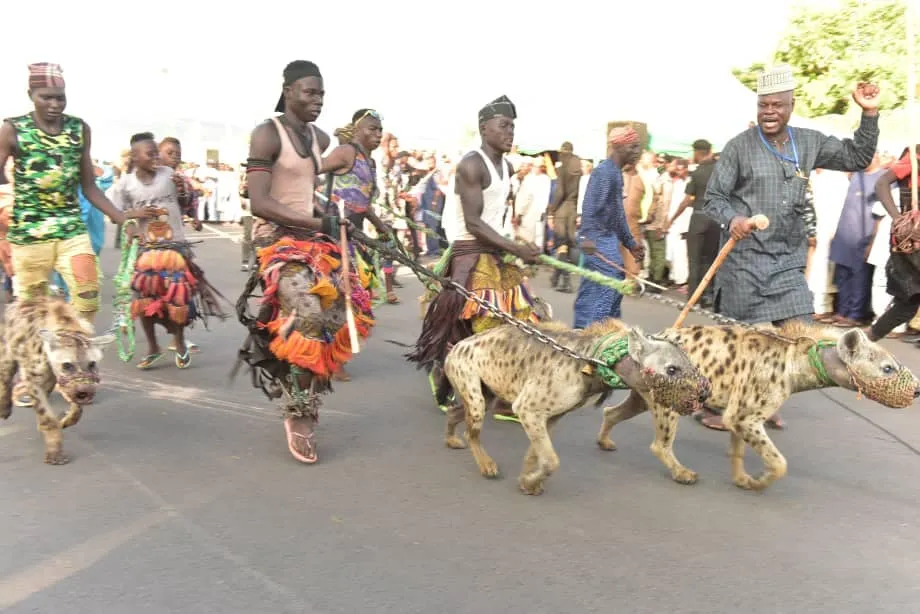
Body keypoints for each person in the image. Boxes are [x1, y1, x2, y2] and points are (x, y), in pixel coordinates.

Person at [698, 65, 880, 431]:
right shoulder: (739, 147)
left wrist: (869, 113)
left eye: (776, 105)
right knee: (742, 343)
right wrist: (734, 218)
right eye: (763, 105)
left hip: (786, 262)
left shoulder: (809, 142)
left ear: (791, 106)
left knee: (801, 332)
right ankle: (719, 407)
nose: (769, 112)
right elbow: (714, 198)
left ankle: (763, 399)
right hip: (743, 262)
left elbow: (857, 158)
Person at [235, 60, 374, 464]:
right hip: (276, 241)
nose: (317, 101)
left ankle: (291, 374)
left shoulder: (320, 136)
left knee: (336, 316)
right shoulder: (266, 133)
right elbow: (260, 201)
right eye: (309, 92)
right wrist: (319, 220)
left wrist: (331, 219)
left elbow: (303, 190)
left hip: (313, 239)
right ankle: (301, 413)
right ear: (288, 90)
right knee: (310, 315)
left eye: (322, 94)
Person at [407, 95, 542, 423]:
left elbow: (497, 218)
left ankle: (498, 390)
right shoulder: (472, 163)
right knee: (475, 322)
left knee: (518, 320)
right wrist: (515, 248)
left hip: (494, 251)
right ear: (484, 128)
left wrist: (516, 246)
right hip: (469, 249)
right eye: (503, 125)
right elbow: (474, 223)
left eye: (512, 126)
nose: (510, 132)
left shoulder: (506, 166)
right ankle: (449, 382)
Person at [0, 63, 148, 326]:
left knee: (88, 296)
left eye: (60, 98)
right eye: (46, 97)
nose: (55, 104)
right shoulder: (13, 129)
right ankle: (39, 359)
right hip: (29, 235)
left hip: (71, 230)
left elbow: (89, 186)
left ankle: (71, 348)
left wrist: (122, 217)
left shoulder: (78, 129)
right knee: (32, 312)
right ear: (30, 95)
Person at [112, 133, 225, 370]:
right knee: (144, 302)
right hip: (146, 252)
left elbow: (186, 203)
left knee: (178, 300)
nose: (155, 157)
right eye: (149, 153)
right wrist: (134, 217)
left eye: (157, 153)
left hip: (175, 248)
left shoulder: (170, 176)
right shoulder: (125, 184)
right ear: (135, 156)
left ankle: (180, 343)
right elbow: (116, 214)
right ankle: (153, 346)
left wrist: (185, 192)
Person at [321, 108, 393, 381]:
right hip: (332, 237)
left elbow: (363, 202)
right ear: (357, 129)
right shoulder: (346, 153)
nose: (377, 134)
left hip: (355, 238)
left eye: (379, 131)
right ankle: (331, 357)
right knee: (337, 297)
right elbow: (310, 172)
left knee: (353, 298)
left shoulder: (370, 162)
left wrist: (381, 226)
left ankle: (336, 353)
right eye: (372, 129)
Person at [572, 126, 645, 328]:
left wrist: (631, 244)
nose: (637, 151)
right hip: (597, 239)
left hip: (605, 238)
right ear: (619, 146)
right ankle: (598, 333)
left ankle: (588, 331)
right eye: (633, 146)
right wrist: (587, 237)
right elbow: (590, 206)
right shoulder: (604, 173)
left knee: (596, 286)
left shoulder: (615, 173)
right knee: (610, 281)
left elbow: (617, 215)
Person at [867, 146, 920, 342]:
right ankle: (859, 345)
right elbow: (881, 184)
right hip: (913, 241)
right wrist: (898, 219)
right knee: (907, 303)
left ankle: (863, 342)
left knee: (907, 305)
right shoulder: (914, 158)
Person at [666, 139, 720, 307]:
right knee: (710, 259)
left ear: (696, 152)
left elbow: (688, 200)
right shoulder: (720, 170)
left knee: (694, 259)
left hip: (698, 218)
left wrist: (672, 219)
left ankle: (693, 297)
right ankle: (709, 295)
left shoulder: (697, 173)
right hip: (716, 220)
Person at [547, 141, 582, 293]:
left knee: (561, 244)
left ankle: (566, 280)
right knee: (567, 243)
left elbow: (559, 191)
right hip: (572, 208)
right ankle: (555, 276)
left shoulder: (561, 166)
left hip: (561, 209)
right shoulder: (578, 167)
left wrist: (551, 211)